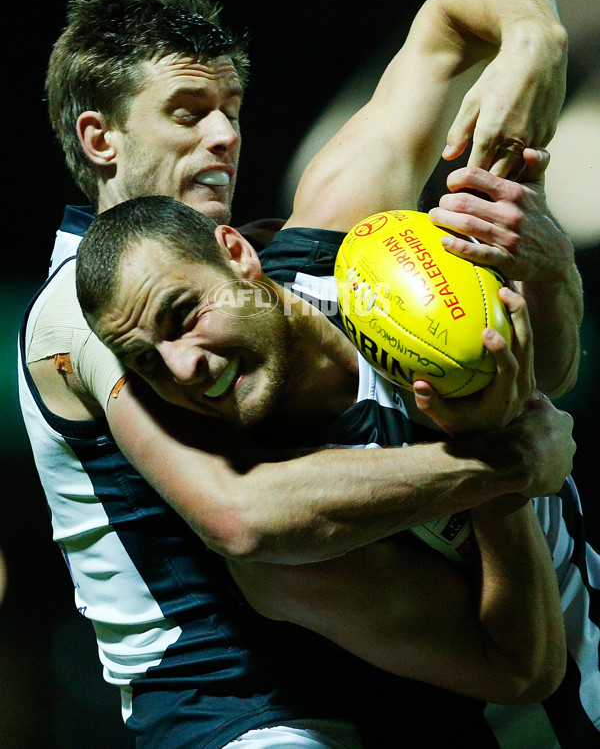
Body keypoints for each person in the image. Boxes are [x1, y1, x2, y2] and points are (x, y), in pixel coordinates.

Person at [18, 0, 585, 748]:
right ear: (99, 137)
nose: (223, 136)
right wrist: (504, 463)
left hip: (381, 681)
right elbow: (242, 518)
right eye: (187, 113)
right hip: (233, 710)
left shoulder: (311, 261)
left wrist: (535, 35)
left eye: (230, 110)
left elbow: (453, 19)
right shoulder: (81, 309)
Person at [74, 191, 570, 707]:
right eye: (147, 363)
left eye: (183, 315)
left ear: (237, 254)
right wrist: (500, 464)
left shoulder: (357, 265)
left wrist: (554, 273)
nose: (181, 369)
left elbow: (557, 375)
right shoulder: (290, 553)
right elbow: (521, 674)